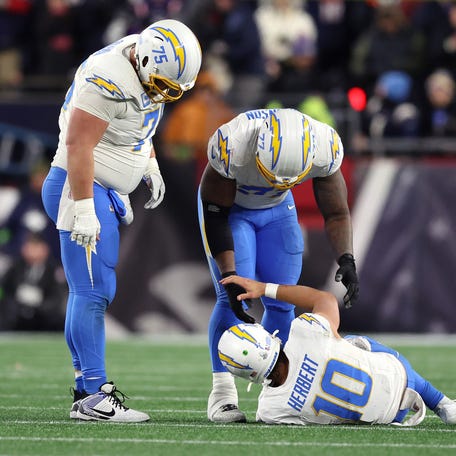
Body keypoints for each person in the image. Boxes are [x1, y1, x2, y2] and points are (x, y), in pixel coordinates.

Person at [41, 18, 202, 422]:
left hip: (100, 185)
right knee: (93, 291)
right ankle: (94, 396)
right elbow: (78, 144)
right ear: (144, 60)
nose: (166, 95)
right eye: (163, 85)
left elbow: (133, 127)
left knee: (90, 290)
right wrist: (83, 207)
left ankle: (86, 391)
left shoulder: (144, 59)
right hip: (80, 185)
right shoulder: (108, 78)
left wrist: (146, 163)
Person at [197, 107, 358, 423]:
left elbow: (337, 212)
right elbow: (215, 213)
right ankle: (222, 393)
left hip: (277, 210)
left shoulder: (324, 145)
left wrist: (347, 259)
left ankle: (275, 391)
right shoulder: (232, 142)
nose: (275, 181)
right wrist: (229, 274)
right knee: (233, 296)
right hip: (231, 212)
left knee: (283, 301)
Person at [218, 274, 456, 426]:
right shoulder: (304, 332)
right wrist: (264, 288)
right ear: (266, 339)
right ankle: (443, 404)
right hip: (402, 377)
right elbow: (325, 299)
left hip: (387, 418)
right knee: (349, 341)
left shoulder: (270, 410)